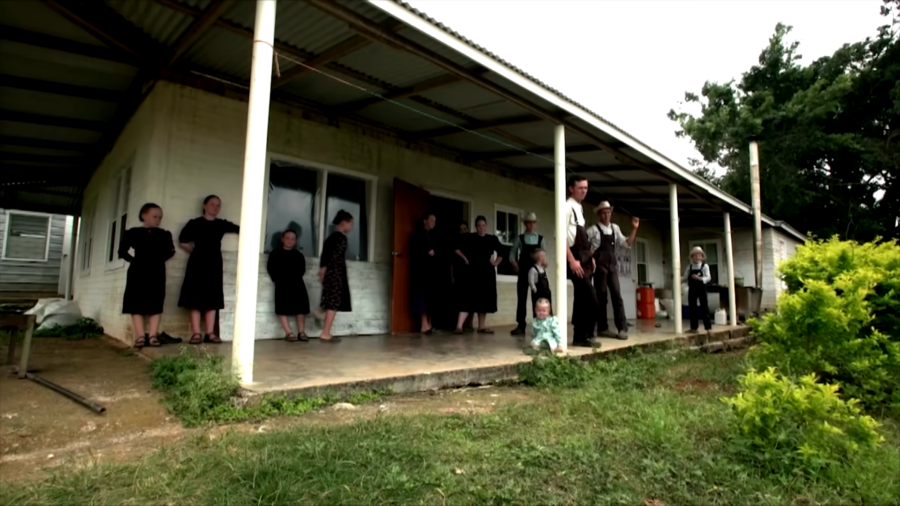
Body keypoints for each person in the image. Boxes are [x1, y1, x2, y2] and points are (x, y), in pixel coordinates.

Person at [178, 195, 239, 345]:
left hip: (214, 264)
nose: (215, 207)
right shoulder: (194, 223)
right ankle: (196, 333)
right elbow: (183, 240)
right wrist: (195, 253)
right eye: (212, 204)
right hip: (197, 264)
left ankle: (210, 333)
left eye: (218, 205)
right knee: (195, 298)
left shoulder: (221, 224)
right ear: (205, 205)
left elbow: (241, 229)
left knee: (212, 298)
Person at [118, 203, 176, 349]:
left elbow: (171, 250)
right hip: (138, 271)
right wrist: (134, 261)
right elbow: (122, 251)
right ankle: (139, 336)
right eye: (154, 216)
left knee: (155, 302)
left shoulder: (163, 234)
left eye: (160, 217)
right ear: (144, 215)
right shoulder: (133, 233)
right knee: (135, 303)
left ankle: (152, 335)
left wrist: (157, 260)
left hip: (156, 271)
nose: (158, 219)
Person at [587, 201, 639, 339]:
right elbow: (583, 244)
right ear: (599, 214)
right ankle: (602, 327)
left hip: (612, 266)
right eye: (603, 212)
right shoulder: (593, 229)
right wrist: (589, 254)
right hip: (599, 266)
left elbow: (627, 244)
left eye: (608, 212)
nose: (606, 215)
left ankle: (622, 328)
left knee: (617, 295)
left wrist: (634, 229)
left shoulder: (615, 228)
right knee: (601, 296)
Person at [565, 175, 601, 348]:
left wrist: (591, 258)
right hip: (574, 258)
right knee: (591, 297)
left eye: (586, 188)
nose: (584, 191)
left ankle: (580, 337)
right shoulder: (566, 207)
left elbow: (583, 238)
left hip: (584, 257)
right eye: (580, 187)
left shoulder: (579, 208)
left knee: (580, 298)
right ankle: (587, 333)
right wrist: (572, 261)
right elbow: (561, 237)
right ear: (571, 188)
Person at [453, 215, 503, 334]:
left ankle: (481, 326)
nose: (481, 228)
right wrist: (464, 258)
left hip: (486, 273)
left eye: (483, 225)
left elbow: (502, 252)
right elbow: (455, 247)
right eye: (479, 226)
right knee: (467, 297)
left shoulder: (492, 239)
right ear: (476, 227)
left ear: (486, 226)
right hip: (471, 272)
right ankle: (459, 326)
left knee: (484, 299)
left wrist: (495, 263)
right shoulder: (469, 237)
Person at [267, 229, 310, 342]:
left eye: (293, 239)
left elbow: (302, 269)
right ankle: (289, 332)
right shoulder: (275, 253)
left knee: (300, 308)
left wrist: (294, 278)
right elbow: (271, 268)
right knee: (282, 308)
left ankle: (301, 332)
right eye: (287, 238)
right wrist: (277, 279)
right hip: (282, 284)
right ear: (282, 239)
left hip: (297, 284)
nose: (290, 240)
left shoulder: (299, 255)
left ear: (295, 241)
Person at [316, 210, 353, 342]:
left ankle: (320, 317)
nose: (352, 227)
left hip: (329, 273)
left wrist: (323, 269)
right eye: (351, 223)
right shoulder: (341, 238)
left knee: (330, 302)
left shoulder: (330, 238)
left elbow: (325, 256)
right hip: (336, 274)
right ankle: (325, 333)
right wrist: (332, 272)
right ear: (344, 223)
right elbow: (335, 257)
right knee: (333, 303)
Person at [510, 212, 546, 336]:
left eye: (533, 222)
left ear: (535, 224)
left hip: (536, 273)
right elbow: (512, 253)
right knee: (522, 298)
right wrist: (515, 264)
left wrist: (543, 265)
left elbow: (543, 255)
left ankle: (538, 325)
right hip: (523, 271)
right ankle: (521, 325)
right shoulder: (520, 238)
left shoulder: (541, 239)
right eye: (529, 222)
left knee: (537, 298)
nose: (531, 225)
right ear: (525, 224)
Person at [411, 212, 437, 334]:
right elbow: (429, 251)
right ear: (424, 221)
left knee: (430, 296)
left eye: (434, 221)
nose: (433, 223)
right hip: (421, 269)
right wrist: (429, 250)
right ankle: (424, 325)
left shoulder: (430, 235)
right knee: (422, 296)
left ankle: (428, 324)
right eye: (431, 220)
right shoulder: (420, 234)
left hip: (429, 270)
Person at [451, 221, 474, 331]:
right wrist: (452, 276)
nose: (463, 231)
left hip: (469, 275)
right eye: (461, 229)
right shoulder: (457, 241)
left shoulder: (471, 240)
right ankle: (459, 325)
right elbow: (452, 261)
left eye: (465, 228)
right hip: (459, 274)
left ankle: (467, 324)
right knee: (460, 299)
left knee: (469, 299)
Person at [684, 246, 713, 333]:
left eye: (699, 255)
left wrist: (699, 278)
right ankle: (694, 328)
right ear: (692, 257)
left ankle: (708, 328)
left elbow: (708, 278)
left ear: (702, 257)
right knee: (692, 307)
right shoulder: (689, 267)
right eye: (695, 255)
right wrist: (676, 277)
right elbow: (685, 277)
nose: (697, 257)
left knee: (704, 307)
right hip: (692, 288)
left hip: (701, 288)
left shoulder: (705, 266)